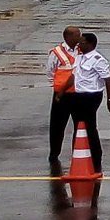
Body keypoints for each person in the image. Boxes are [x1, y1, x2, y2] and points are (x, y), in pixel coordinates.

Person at [68, 31, 110, 173]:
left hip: (91, 96)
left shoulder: (98, 59)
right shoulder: (79, 58)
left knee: (90, 126)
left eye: (82, 42)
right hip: (78, 95)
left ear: (90, 44)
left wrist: (109, 98)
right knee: (78, 126)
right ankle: (79, 153)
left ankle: (96, 157)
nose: (79, 44)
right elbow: (74, 77)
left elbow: (107, 79)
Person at [45, 24, 82, 170]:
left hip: (79, 94)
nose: (79, 37)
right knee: (57, 126)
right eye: (76, 35)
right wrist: (57, 89)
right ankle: (54, 154)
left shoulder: (82, 50)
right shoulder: (57, 52)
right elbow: (50, 72)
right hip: (62, 96)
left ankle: (78, 152)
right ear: (67, 37)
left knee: (79, 125)